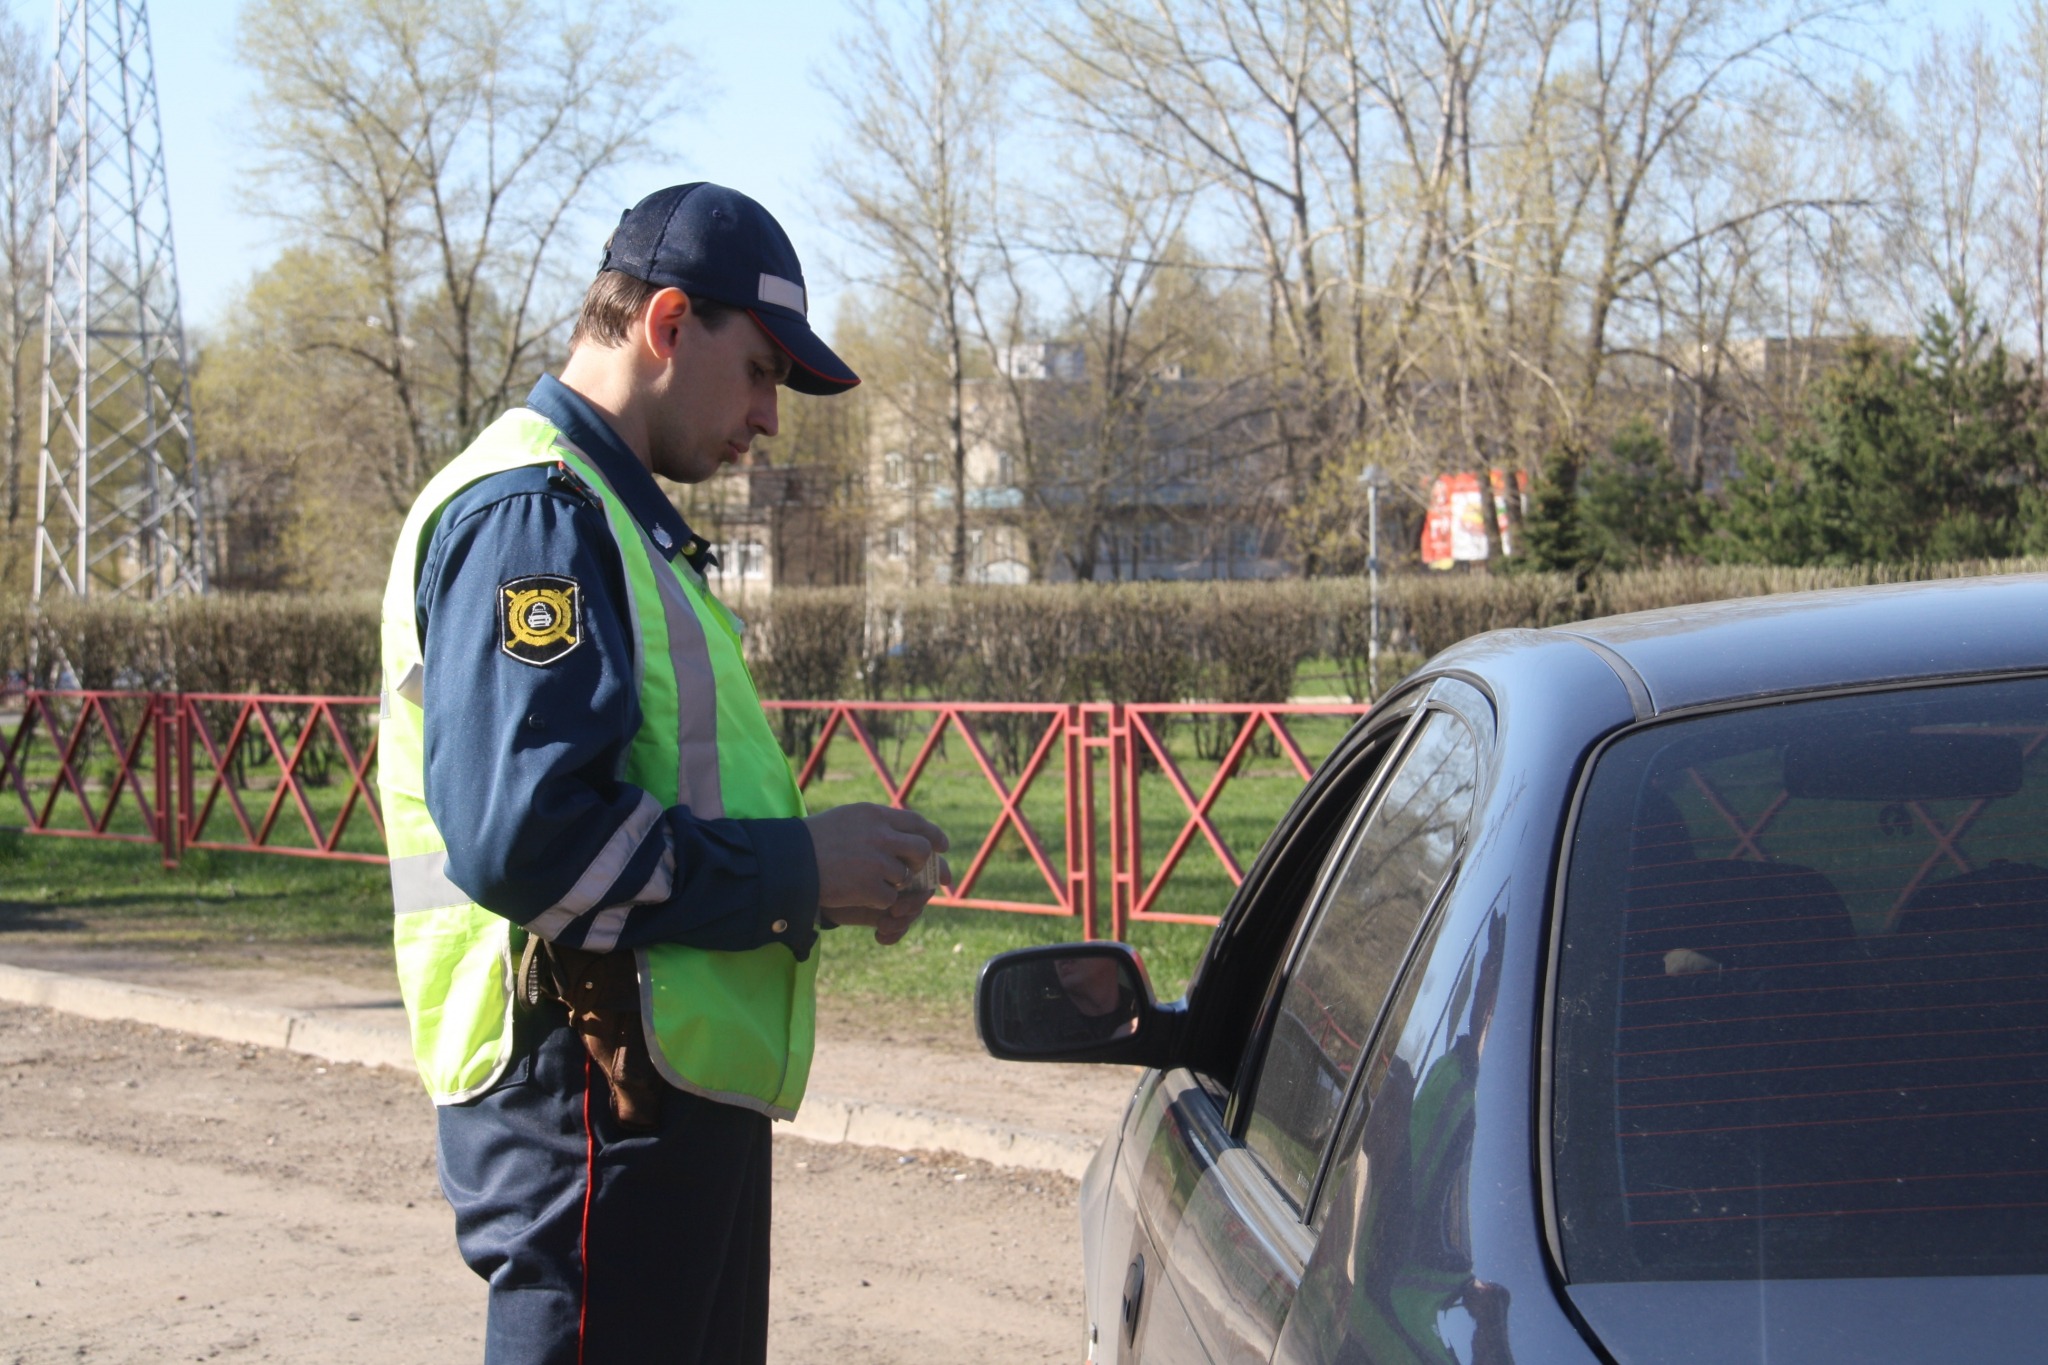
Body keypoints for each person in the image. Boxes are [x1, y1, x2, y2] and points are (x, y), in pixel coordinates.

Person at [375, 182, 950, 1365]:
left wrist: (825, 877)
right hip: (588, 1096)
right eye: (759, 371)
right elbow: (526, 841)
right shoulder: (536, 514)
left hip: (653, 1095)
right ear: (669, 324)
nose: (769, 419)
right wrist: (796, 868)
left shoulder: (617, 522)